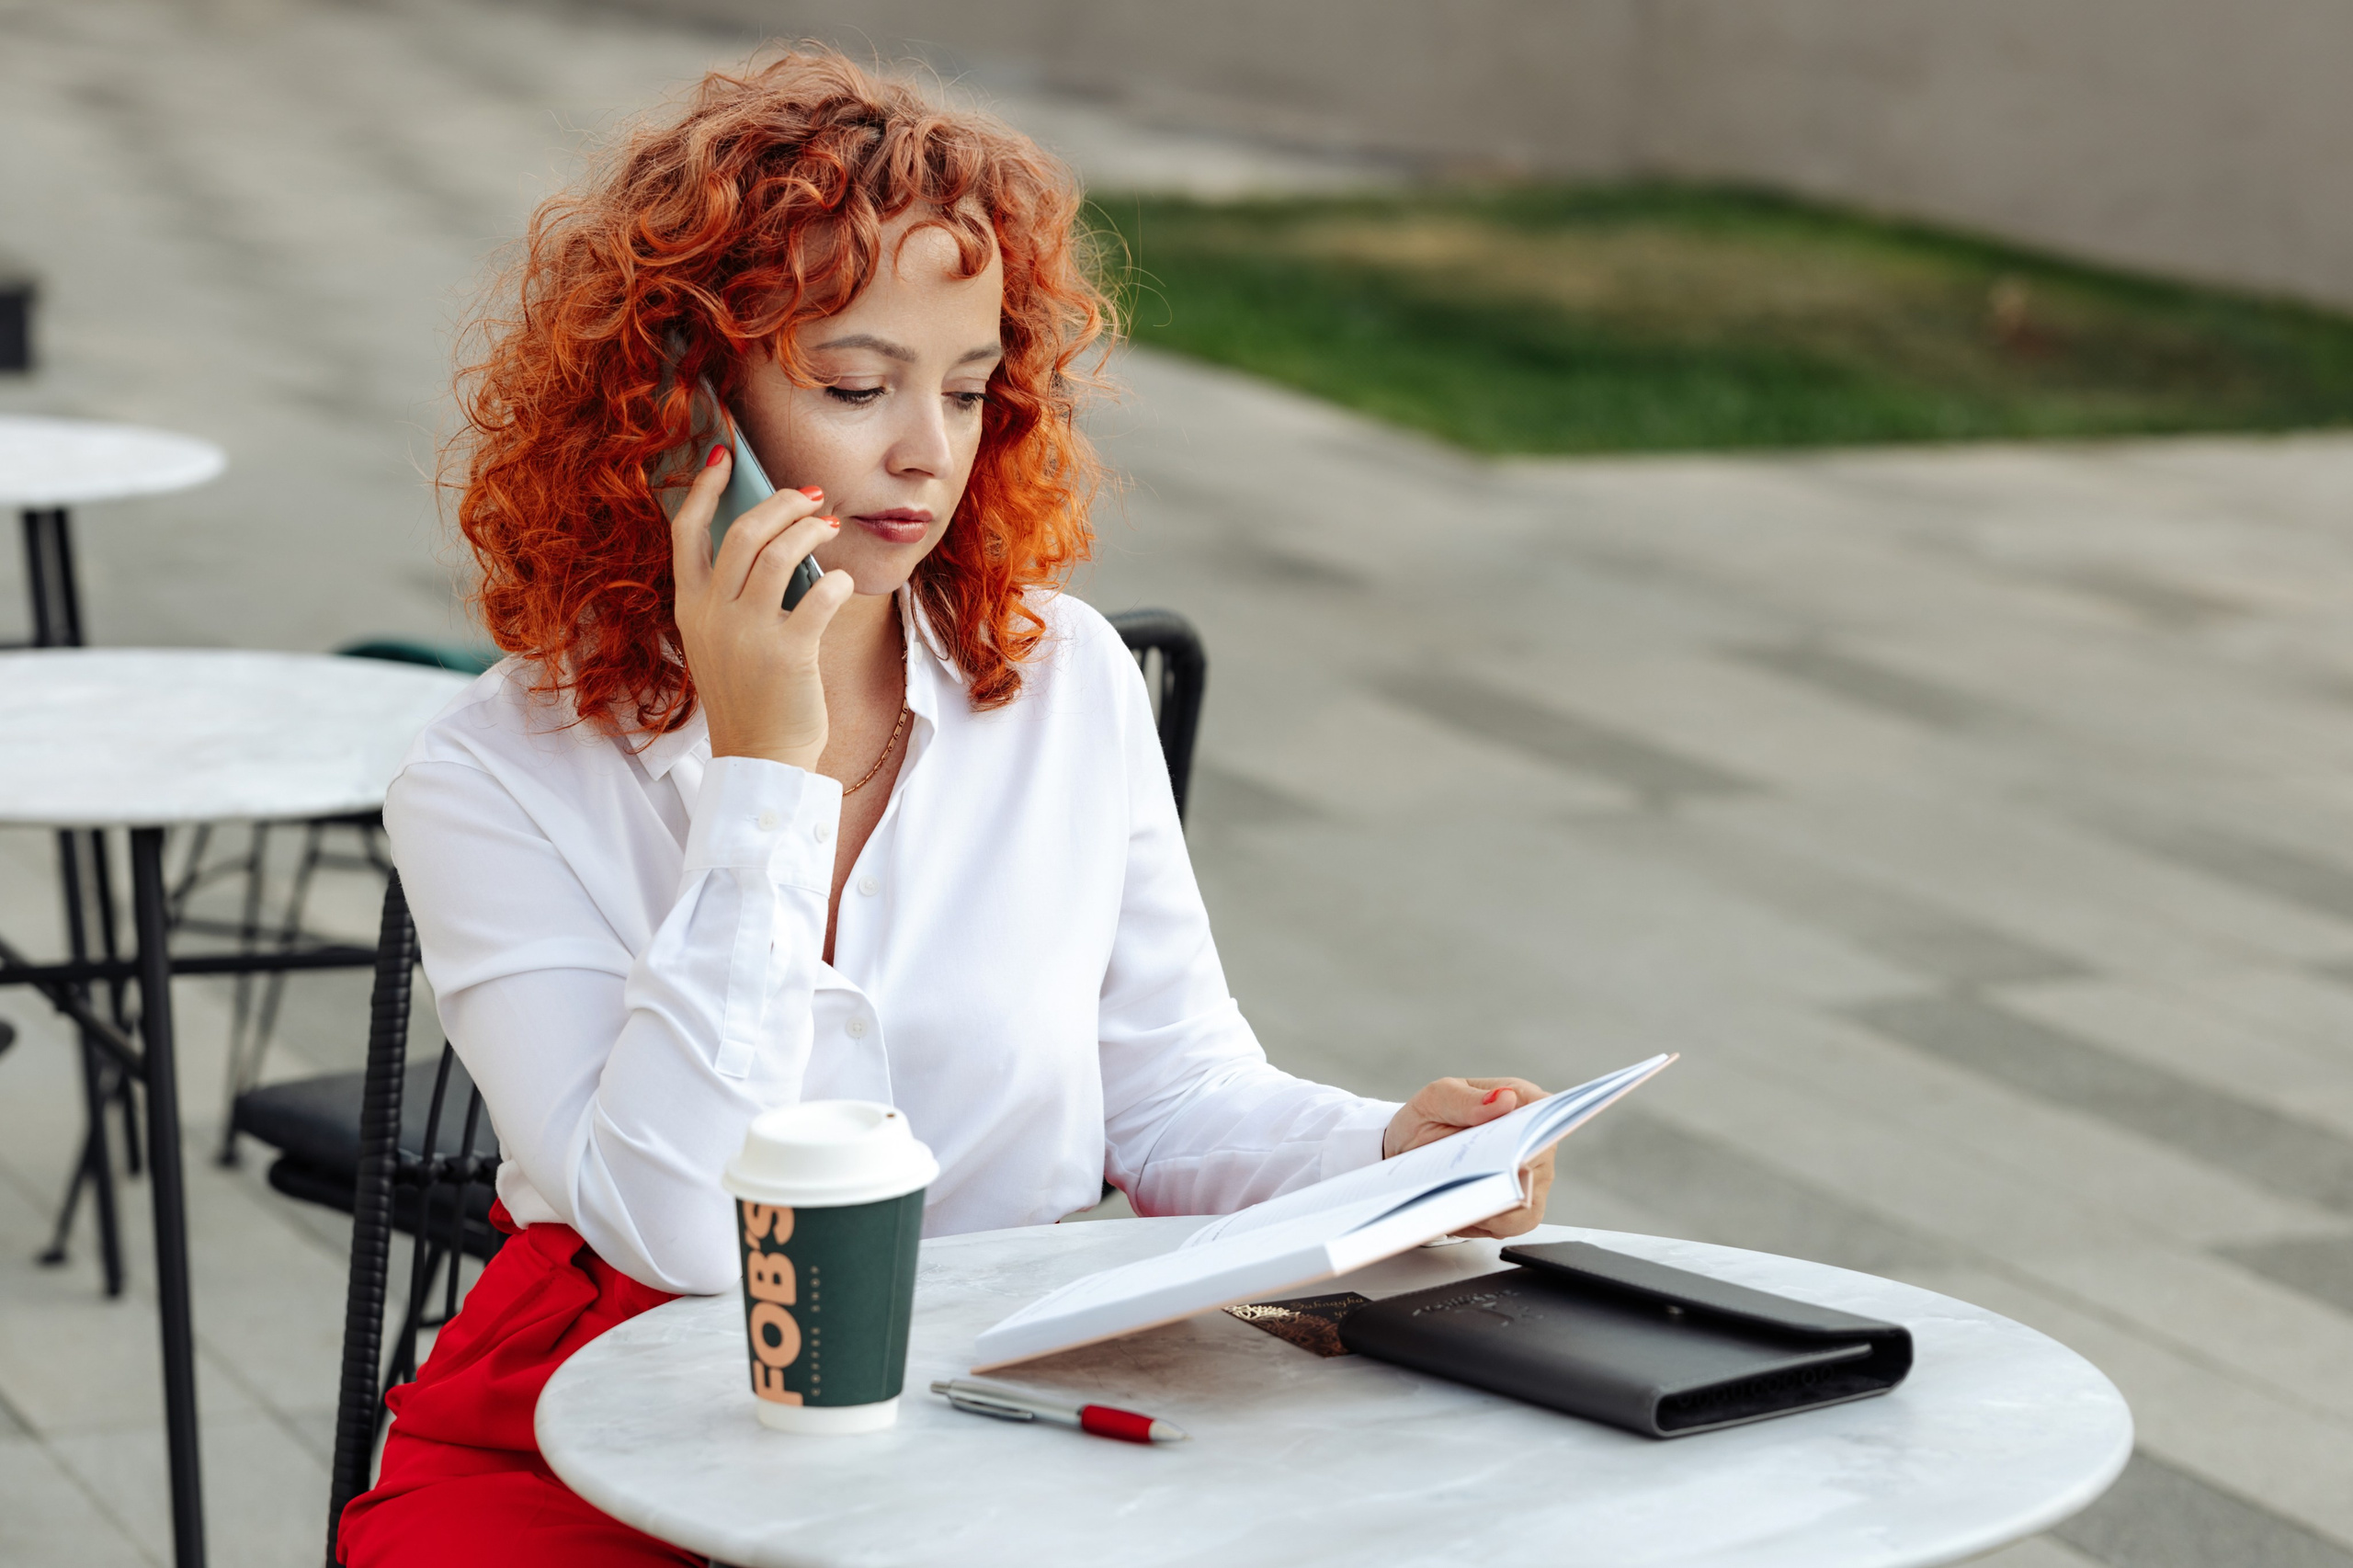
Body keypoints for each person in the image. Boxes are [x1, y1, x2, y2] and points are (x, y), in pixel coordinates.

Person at [336, 49, 1555, 1568]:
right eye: (856, 385)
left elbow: (1169, 1096)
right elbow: (674, 1231)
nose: (928, 449)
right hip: (616, 1397)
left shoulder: (1066, 684)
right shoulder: (492, 773)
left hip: (996, 1388)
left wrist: (1390, 1151)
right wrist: (764, 776)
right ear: (673, 409)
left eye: (970, 388)